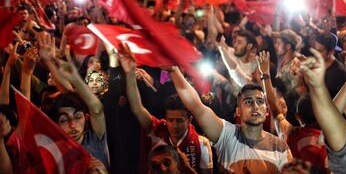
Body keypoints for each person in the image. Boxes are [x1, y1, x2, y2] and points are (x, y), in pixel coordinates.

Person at [164, 54, 292, 172]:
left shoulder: (280, 147)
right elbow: (196, 106)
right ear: (238, 111)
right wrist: (174, 70)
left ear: (267, 111)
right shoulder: (227, 135)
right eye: (248, 102)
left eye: (260, 101)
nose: (255, 106)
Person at [118, 43, 213, 174]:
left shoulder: (201, 144)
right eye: (171, 120)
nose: (174, 125)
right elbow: (137, 108)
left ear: (190, 119)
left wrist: (185, 167)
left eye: (179, 120)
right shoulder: (158, 130)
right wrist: (129, 74)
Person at [312, 33, 346, 97]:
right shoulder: (316, 65)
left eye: (320, 51)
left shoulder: (338, 73)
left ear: (330, 52)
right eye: (315, 49)